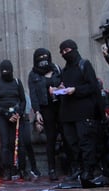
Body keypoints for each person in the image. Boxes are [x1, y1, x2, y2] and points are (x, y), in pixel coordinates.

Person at [54, 39, 102, 187]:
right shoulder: (65, 70)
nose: (64, 54)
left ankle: (88, 170)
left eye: (67, 51)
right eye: (62, 52)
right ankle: (78, 169)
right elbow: (64, 86)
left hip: (83, 111)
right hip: (68, 113)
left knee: (85, 142)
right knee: (72, 144)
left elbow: (93, 86)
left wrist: (76, 90)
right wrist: (59, 89)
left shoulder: (84, 65)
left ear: (74, 49)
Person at [29, 48, 65, 181]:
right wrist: (37, 112)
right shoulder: (33, 75)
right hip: (46, 109)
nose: (43, 60)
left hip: (61, 106)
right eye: (40, 57)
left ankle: (73, 167)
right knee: (51, 139)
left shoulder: (57, 69)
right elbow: (33, 95)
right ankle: (52, 169)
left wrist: (58, 90)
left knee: (66, 135)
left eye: (45, 56)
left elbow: (64, 86)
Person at [0, 59, 26, 181]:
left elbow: (23, 100)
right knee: (5, 143)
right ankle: (7, 170)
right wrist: (6, 113)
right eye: (3, 71)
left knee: (19, 144)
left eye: (8, 71)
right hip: (2, 116)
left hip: (16, 116)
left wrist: (18, 113)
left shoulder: (17, 82)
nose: (5, 73)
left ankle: (22, 169)